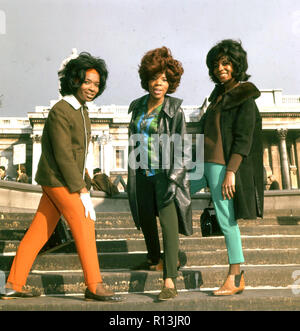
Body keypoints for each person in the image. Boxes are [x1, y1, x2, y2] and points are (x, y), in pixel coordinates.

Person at [0, 52, 122, 302]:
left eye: (97, 84)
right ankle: (94, 284)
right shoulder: (61, 110)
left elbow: (78, 154)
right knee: (85, 222)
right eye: (87, 81)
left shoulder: (82, 112)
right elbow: (64, 155)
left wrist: (85, 177)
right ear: (74, 81)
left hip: (63, 180)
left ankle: (13, 282)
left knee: (39, 231)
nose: (92, 88)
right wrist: (82, 190)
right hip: (58, 181)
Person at [192, 39, 264, 295]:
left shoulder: (245, 95)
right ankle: (163, 259)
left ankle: (234, 276)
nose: (220, 68)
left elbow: (245, 138)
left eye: (225, 63)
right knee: (172, 191)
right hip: (203, 163)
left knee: (226, 221)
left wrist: (231, 171)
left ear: (236, 64)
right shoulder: (217, 96)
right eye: (216, 64)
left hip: (222, 166)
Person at [127, 46, 192, 301]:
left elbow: (182, 149)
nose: (159, 83)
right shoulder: (137, 107)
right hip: (142, 173)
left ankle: (169, 281)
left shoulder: (175, 110)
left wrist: (174, 180)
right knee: (145, 219)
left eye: (165, 79)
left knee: (168, 224)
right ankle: (154, 258)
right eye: (155, 77)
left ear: (171, 83)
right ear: (147, 79)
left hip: (166, 175)